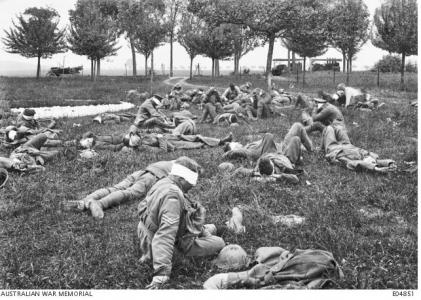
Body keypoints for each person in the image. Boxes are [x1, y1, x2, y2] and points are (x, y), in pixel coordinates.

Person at [137, 157, 225, 289]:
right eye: (191, 182)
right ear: (181, 179)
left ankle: (214, 228)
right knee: (219, 242)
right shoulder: (173, 196)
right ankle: (218, 230)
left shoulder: (164, 181)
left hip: (146, 230)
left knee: (208, 229)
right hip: (164, 242)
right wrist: (162, 273)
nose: (193, 186)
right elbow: (165, 234)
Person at [67, 157, 200, 219]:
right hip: (151, 178)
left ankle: (86, 200)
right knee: (128, 193)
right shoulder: (183, 171)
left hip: (142, 171)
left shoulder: (174, 162)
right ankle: (99, 203)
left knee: (116, 187)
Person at [321, 124, 396, 173]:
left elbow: (357, 164)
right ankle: (322, 147)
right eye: (373, 161)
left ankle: (322, 148)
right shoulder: (370, 156)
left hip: (334, 149)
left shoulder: (353, 162)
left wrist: (376, 169)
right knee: (338, 127)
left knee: (329, 128)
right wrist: (390, 163)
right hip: (347, 145)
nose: (372, 160)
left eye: (372, 162)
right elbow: (379, 161)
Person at [124, 131, 233, 152]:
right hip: (172, 144)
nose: (135, 136)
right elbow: (162, 150)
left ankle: (220, 141)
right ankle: (221, 144)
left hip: (173, 136)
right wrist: (161, 138)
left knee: (196, 136)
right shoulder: (144, 147)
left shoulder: (142, 136)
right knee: (197, 144)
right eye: (132, 137)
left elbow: (153, 134)